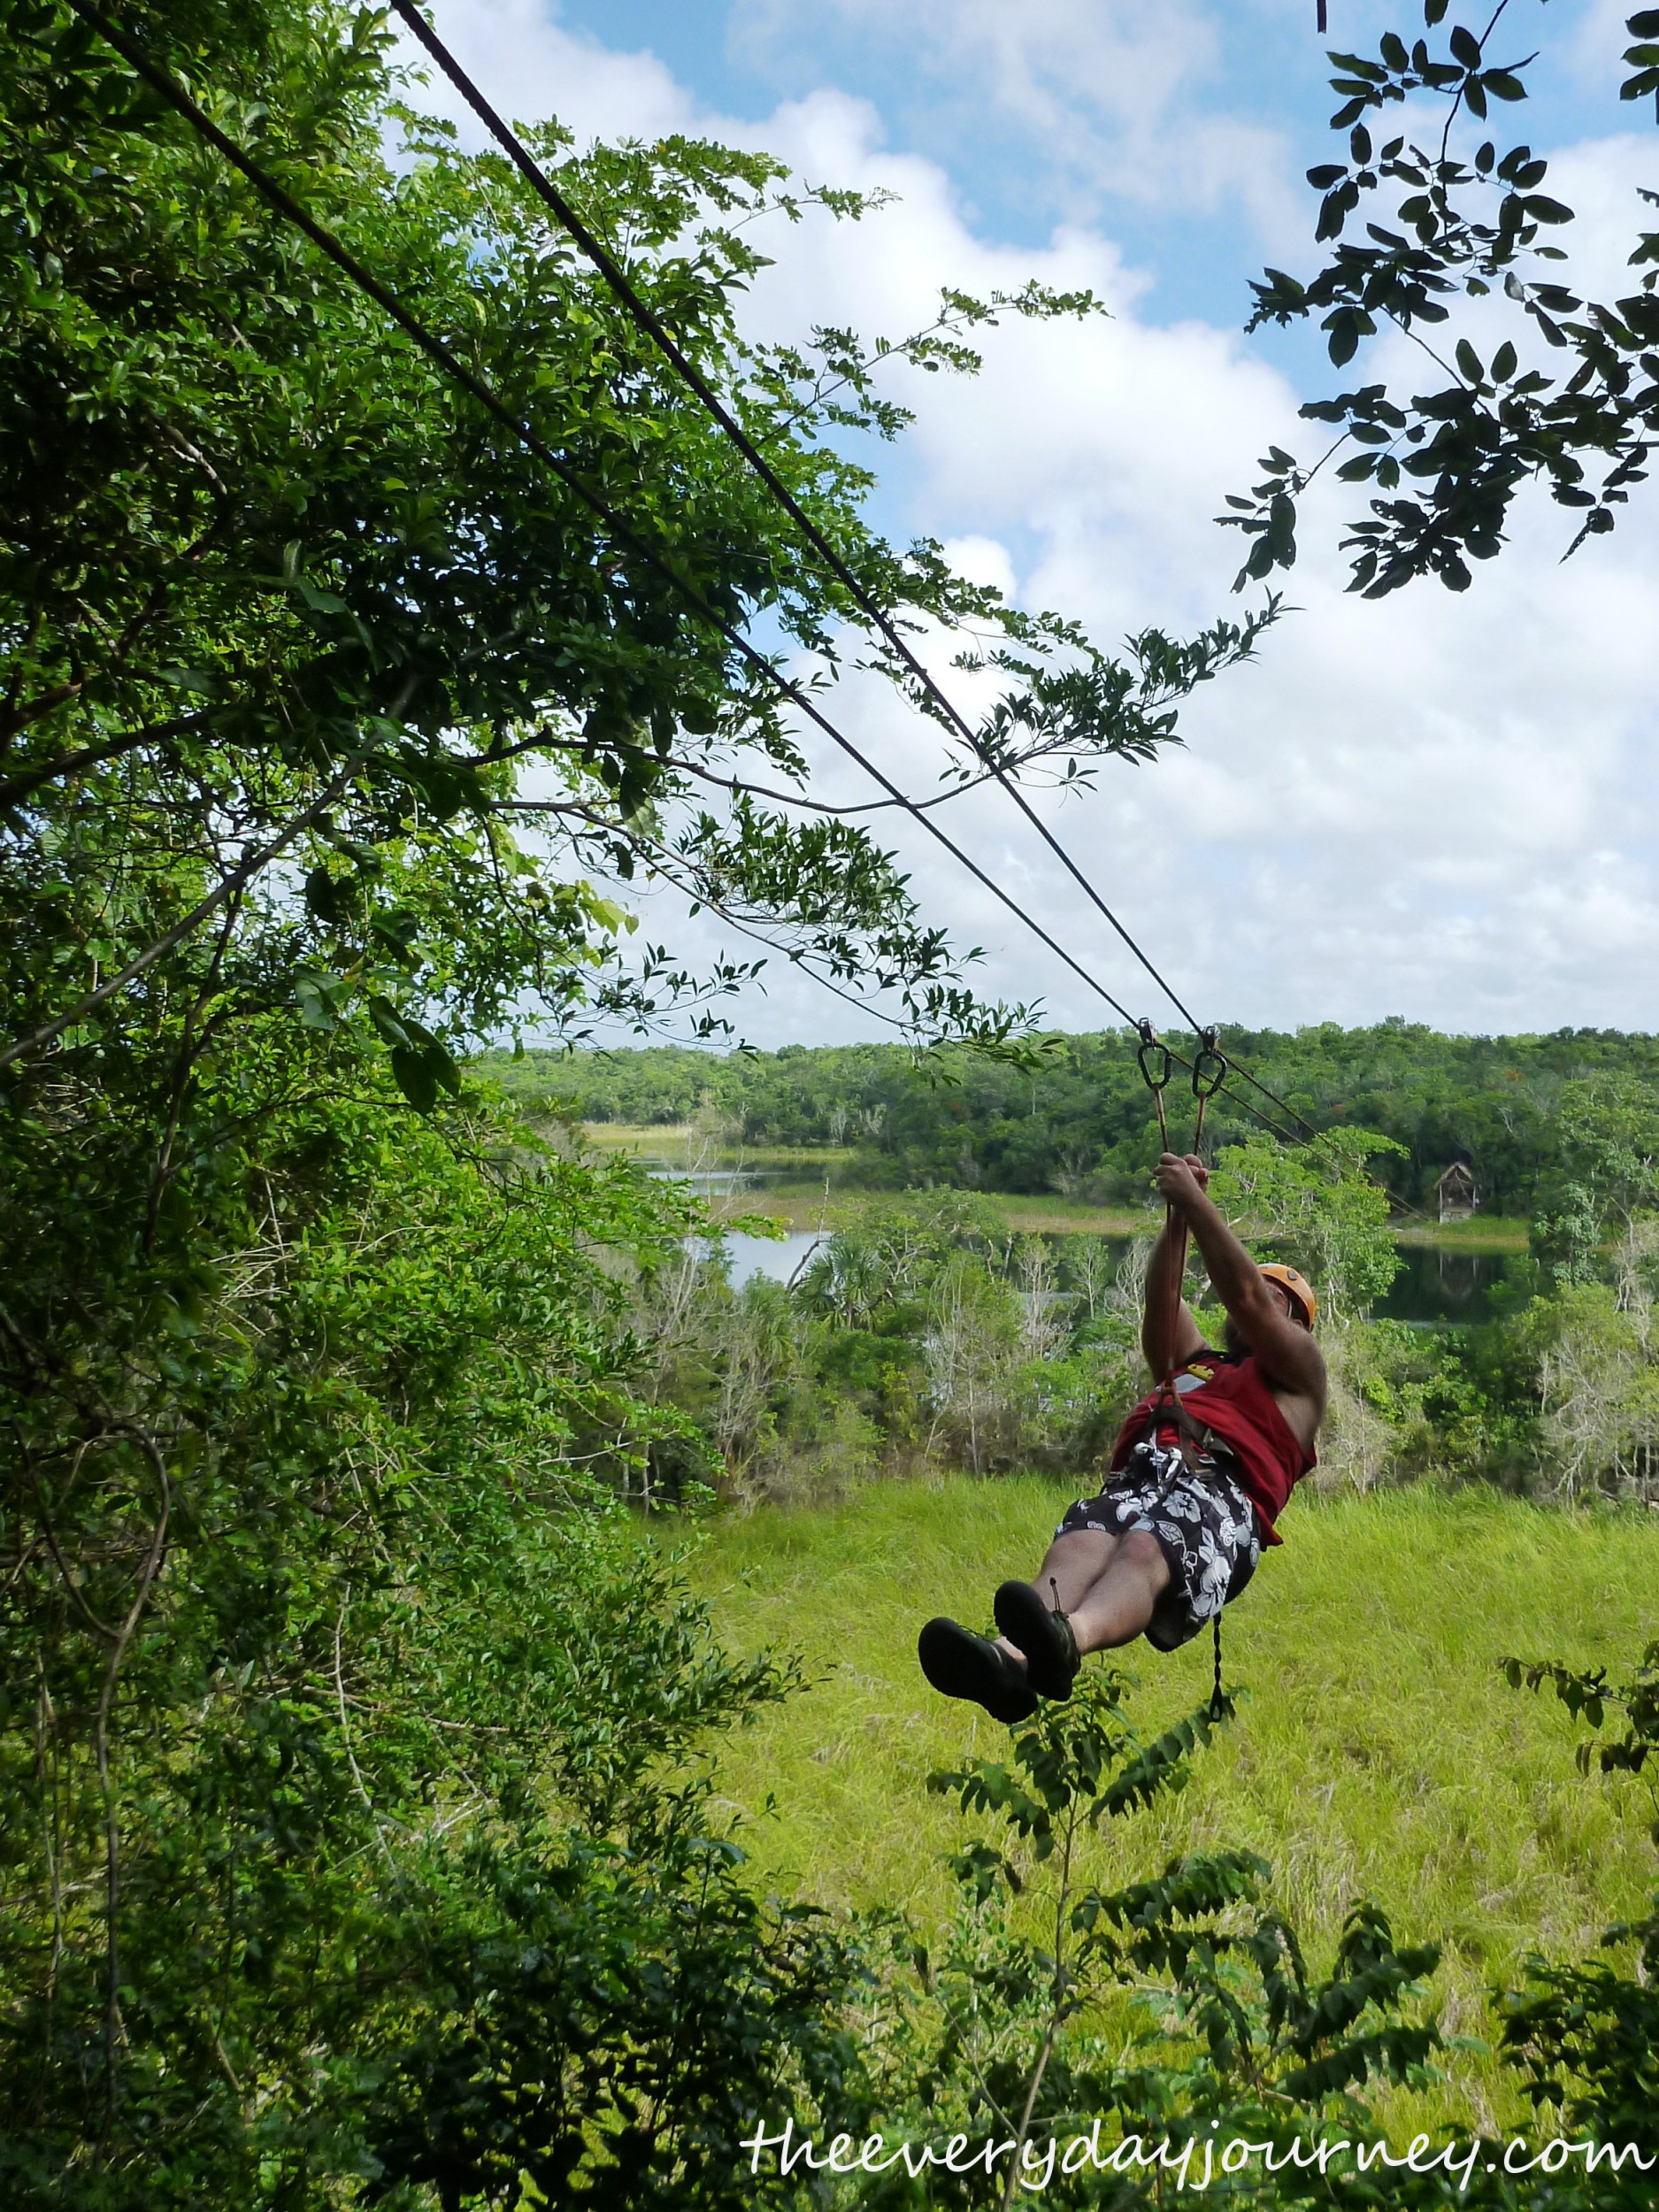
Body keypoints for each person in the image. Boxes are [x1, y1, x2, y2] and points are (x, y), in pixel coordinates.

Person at [918, 1151, 1327, 1722]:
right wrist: (1176, 1223)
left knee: (1145, 1548)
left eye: (1278, 1296)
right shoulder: (1198, 1363)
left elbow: (1247, 1299)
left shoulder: (1301, 1377)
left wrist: (1196, 1201)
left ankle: (1071, 1637)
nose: (1260, 1296)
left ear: (1297, 1324)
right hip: (1144, 1472)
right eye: (1261, 1284)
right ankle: (1007, 1660)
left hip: (1220, 1497)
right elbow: (1163, 1305)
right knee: (1084, 1538)